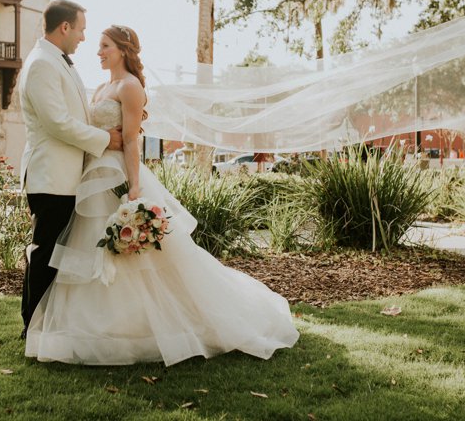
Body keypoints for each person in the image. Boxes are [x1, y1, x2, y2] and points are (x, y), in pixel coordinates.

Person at [25, 25, 298, 366]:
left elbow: (130, 141)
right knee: (93, 249)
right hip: (91, 176)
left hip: (119, 177)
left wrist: (135, 188)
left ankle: (165, 324)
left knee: (139, 256)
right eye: (98, 45)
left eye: (105, 46)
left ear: (123, 50)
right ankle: (101, 326)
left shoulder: (130, 86)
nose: (98, 51)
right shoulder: (99, 88)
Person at [18, 0, 124, 340]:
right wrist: (106, 138)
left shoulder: (58, 63)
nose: (82, 38)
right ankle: (33, 326)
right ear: (65, 27)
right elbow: (58, 123)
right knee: (45, 251)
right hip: (51, 176)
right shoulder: (41, 65)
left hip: (65, 176)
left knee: (51, 251)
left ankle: (43, 323)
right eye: (80, 30)